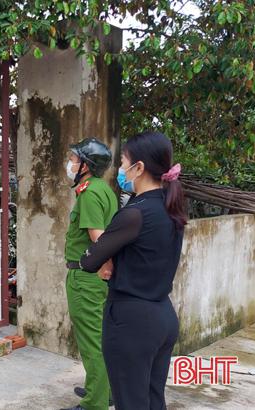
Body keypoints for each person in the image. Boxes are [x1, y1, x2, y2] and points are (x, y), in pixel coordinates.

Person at [79, 131, 187, 409]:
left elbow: (89, 260)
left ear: (139, 168)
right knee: (152, 401)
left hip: (132, 321)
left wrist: (106, 259)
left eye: (124, 162)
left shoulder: (135, 213)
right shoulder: (170, 207)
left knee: (130, 403)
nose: (120, 169)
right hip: (163, 316)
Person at [62, 138, 118, 410]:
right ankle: (103, 389)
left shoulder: (89, 193)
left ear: (86, 165)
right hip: (95, 278)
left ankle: (95, 403)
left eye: (74, 159)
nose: (70, 163)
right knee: (101, 337)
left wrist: (105, 265)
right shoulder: (104, 189)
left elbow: (99, 238)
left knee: (91, 341)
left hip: (85, 278)